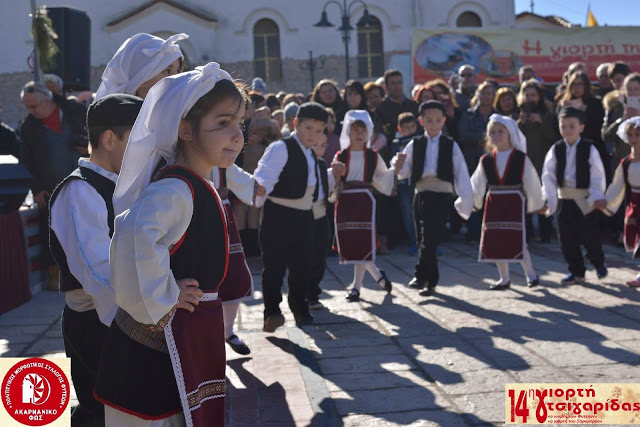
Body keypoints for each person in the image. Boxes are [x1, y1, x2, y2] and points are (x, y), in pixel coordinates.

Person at [94, 63, 248, 426]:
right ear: (185, 129)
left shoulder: (198, 184)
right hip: (153, 357)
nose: (237, 135)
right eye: (223, 123)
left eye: (240, 123)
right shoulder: (176, 189)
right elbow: (133, 235)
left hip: (184, 342)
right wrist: (163, 293)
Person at [49, 94, 143, 426]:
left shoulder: (117, 186)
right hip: (99, 322)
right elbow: (97, 273)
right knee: (102, 412)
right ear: (108, 139)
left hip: (122, 317)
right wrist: (138, 323)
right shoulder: (80, 190)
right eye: (136, 140)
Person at [253, 102, 331, 332]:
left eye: (319, 131)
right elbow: (263, 176)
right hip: (278, 215)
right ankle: (272, 312)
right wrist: (259, 189)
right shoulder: (281, 148)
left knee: (302, 265)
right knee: (274, 266)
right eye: (308, 128)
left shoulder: (312, 154)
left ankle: (300, 308)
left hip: (305, 216)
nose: (313, 135)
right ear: (296, 124)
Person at [392, 101, 473, 296]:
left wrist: (465, 198)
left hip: (441, 194)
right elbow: (404, 172)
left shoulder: (450, 144)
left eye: (438, 120)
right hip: (420, 193)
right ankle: (430, 280)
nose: (434, 124)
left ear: (444, 121)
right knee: (421, 238)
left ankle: (422, 276)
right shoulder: (415, 144)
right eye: (429, 120)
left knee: (430, 237)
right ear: (421, 121)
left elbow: (461, 172)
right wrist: (398, 164)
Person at [20, 81, 88, 288]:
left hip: (83, 182)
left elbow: (96, 135)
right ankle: (55, 276)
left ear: (46, 100)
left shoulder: (73, 111)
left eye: (34, 106)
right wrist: (37, 188)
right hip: (51, 189)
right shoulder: (29, 127)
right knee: (55, 233)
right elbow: (27, 161)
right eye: (28, 107)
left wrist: (89, 148)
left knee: (86, 228)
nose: (31, 111)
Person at [332, 110, 401, 301]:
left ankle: (356, 287)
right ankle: (378, 276)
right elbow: (334, 179)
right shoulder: (341, 155)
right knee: (354, 245)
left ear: (369, 133)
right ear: (348, 132)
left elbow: (383, 177)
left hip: (364, 201)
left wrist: (396, 169)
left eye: (363, 130)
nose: (359, 134)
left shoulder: (373, 156)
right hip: (345, 201)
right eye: (355, 130)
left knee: (363, 243)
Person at [470, 115, 544, 289]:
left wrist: (537, 203)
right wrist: (473, 201)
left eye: (500, 131)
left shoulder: (520, 158)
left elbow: (532, 181)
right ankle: (504, 278)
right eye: (492, 132)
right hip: (494, 201)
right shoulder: (486, 160)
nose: (496, 136)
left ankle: (531, 275)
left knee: (517, 239)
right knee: (496, 240)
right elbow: (477, 183)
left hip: (514, 202)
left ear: (510, 133)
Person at [540, 107, 608, 285]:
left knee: (590, 235)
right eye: (564, 126)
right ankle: (577, 271)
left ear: (581, 127)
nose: (568, 130)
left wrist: (596, 195)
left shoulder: (589, 148)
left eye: (572, 126)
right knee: (567, 239)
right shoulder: (556, 149)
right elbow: (548, 175)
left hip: (585, 199)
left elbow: (597, 174)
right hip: (564, 200)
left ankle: (598, 263)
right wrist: (548, 198)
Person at [210, 164, 265, 355]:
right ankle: (210, 336)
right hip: (192, 214)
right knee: (203, 277)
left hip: (223, 215)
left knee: (234, 273)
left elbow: (246, 181)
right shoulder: (179, 154)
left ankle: (228, 331)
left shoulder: (221, 161)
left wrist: (256, 187)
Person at [517, 79, 560, 242]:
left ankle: (546, 233)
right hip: (525, 166)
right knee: (525, 201)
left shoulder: (548, 115)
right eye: (527, 95)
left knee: (544, 199)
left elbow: (554, 137)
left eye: (533, 95)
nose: (530, 98)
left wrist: (541, 123)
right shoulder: (519, 116)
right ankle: (526, 234)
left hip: (543, 164)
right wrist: (520, 123)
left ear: (539, 96)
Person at [603, 117, 640, 286]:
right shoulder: (626, 161)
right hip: (634, 203)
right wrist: (605, 201)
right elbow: (617, 185)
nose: (634, 139)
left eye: (638, 135)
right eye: (631, 135)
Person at [95, 32, 186, 100]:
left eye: (178, 71)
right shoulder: (120, 120)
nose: (176, 78)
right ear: (141, 78)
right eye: (167, 71)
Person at [557, 71, 609, 181]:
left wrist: (585, 109)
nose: (577, 88)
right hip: (570, 148)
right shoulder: (564, 103)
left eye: (580, 84)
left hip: (592, 147)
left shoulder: (595, 102)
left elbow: (599, 125)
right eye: (574, 84)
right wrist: (564, 111)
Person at [308, 134, 333, 310]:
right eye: (315, 145)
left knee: (321, 256)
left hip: (322, 214)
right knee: (306, 257)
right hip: (306, 216)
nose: (319, 149)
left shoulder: (323, 164)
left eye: (323, 145)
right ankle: (307, 295)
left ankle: (314, 292)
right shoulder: (302, 164)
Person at [392, 112, 420, 255]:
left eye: (412, 126)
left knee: (422, 213)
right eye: (406, 127)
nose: (409, 129)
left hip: (419, 183)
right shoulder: (396, 144)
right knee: (408, 214)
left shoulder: (421, 141)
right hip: (403, 185)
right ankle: (412, 241)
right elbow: (393, 165)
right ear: (400, 128)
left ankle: (427, 242)